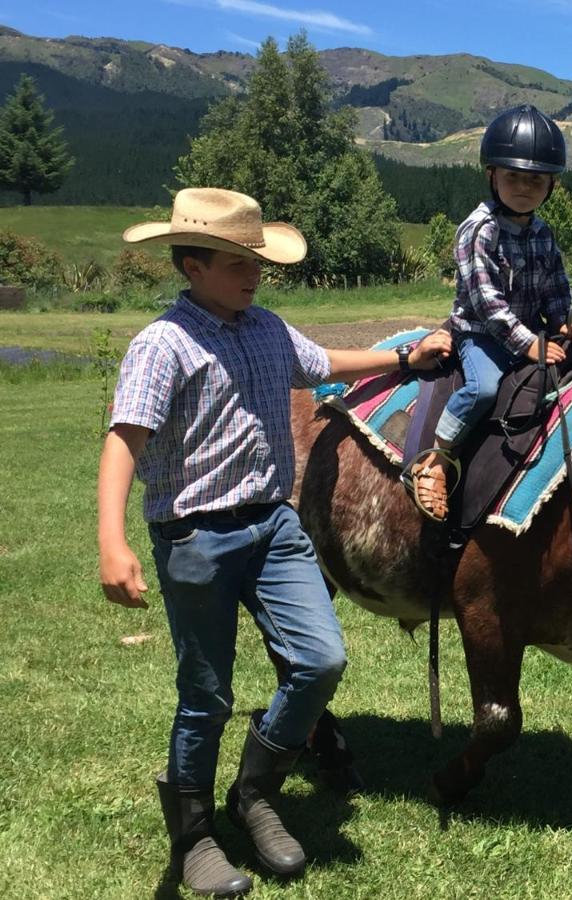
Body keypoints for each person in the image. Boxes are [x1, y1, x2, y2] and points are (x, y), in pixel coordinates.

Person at [98, 187, 451, 896]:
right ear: (192, 266)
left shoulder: (266, 328)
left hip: (273, 527)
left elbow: (324, 362)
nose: (252, 273)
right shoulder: (161, 345)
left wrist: (405, 363)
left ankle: (255, 793)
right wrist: (112, 539)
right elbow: (124, 439)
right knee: (206, 695)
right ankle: (193, 836)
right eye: (235, 262)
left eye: (255, 259)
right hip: (195, 535)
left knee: (320, 660)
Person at [407, 104, 572, 521]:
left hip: (532, 331)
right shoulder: (477, 231)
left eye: (536, 179)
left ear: (551, 185)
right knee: (483, 389)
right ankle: (435, 460)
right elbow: (488, 304)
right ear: (492, 175)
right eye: (514, 177)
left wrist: (562, 320)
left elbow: (556, 283)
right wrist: (529, 345)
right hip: (481, 335)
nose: (525, 187)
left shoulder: (543, 233)